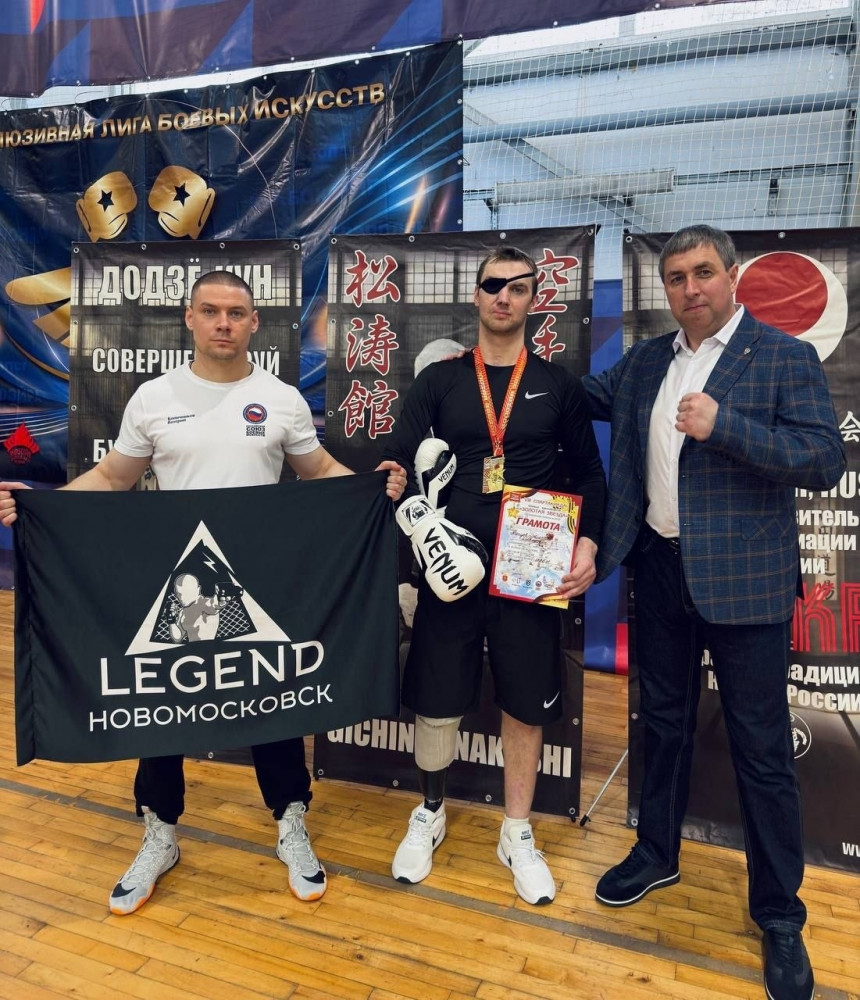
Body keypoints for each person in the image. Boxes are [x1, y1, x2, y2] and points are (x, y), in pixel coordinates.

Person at [0, 270, 406, 915]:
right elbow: (113, 477)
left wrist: (373, 488)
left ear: (254, 323)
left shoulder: (280, 399)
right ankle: (159, 833)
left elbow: (319, 471)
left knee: (273, 699)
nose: (223, 323)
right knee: (163, 704)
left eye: (236, 313)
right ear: (189, 319)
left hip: (259, 581)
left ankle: (290, 821)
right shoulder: (154, 397)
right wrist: (42, 507)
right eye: (211, 311)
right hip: (179, 581)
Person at [581, 225, 845, 1000]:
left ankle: (780, 915)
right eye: (675, 277)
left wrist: (722, 425)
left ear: (732, 276)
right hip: (659, 569)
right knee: (661, 723)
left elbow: (823, 460)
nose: (690, 288)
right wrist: (505, 353)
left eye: (702, 272)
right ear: (664, 288)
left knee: (762, 749)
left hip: (746, 581)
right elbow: (579, 397)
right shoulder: (646, 362)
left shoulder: (783, 356)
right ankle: (656, 853)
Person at [382, 246, 606, 905]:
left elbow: (591, 475)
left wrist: (589, 544)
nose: (503, 296)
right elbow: (398, 461)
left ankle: (517, 830)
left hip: (531, 568)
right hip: (448, 567)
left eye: (517, 286)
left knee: (525, 700)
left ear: (534, 299)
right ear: (477, 295)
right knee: (436, 696)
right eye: (492, 285)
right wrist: (397, 487)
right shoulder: (440, 381)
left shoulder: (559, 385)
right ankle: (430, 811)